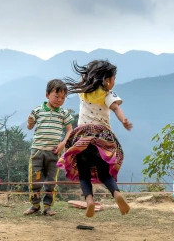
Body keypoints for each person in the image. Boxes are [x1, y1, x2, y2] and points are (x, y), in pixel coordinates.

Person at [58, 60, 132, 218]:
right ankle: (117, 194)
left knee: (84, 175)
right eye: (113, 78)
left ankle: (90, 200)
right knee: (105, 175)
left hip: (82, 139)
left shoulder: (83, 91)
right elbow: (116, 108)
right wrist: (124, 121)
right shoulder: (107, 94)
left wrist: (89, 72)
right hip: (101, 140)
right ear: (107, 80)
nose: (113, 82)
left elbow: (82, 79)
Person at [25, 79, 75, 216]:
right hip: (37, 151)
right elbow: (30, 127)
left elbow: (70, 130)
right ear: (47, 95)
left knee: (51, 181)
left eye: (63, 98)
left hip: (54, 152)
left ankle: (47, 206)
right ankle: (34, 205)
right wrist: (29, 122)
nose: (59, 100)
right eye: (56, 96)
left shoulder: (64, 114)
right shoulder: (37, 111)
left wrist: (63, 143)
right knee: (35, 179)